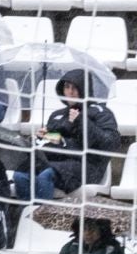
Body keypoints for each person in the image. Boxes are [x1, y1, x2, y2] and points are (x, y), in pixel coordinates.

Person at [17, 70, 120, 201]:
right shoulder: (57, 115)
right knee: (21, 174)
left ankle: (42, 216)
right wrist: (43, 138)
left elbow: (110, 144)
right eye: (66, 87)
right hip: (59, 161)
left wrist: (81, 121)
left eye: (74, 88)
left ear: (84, 89)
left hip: (89, 166)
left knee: (46, 174)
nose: (70, 92)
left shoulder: (101, 112)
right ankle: (27, 213)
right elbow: (57, 142)